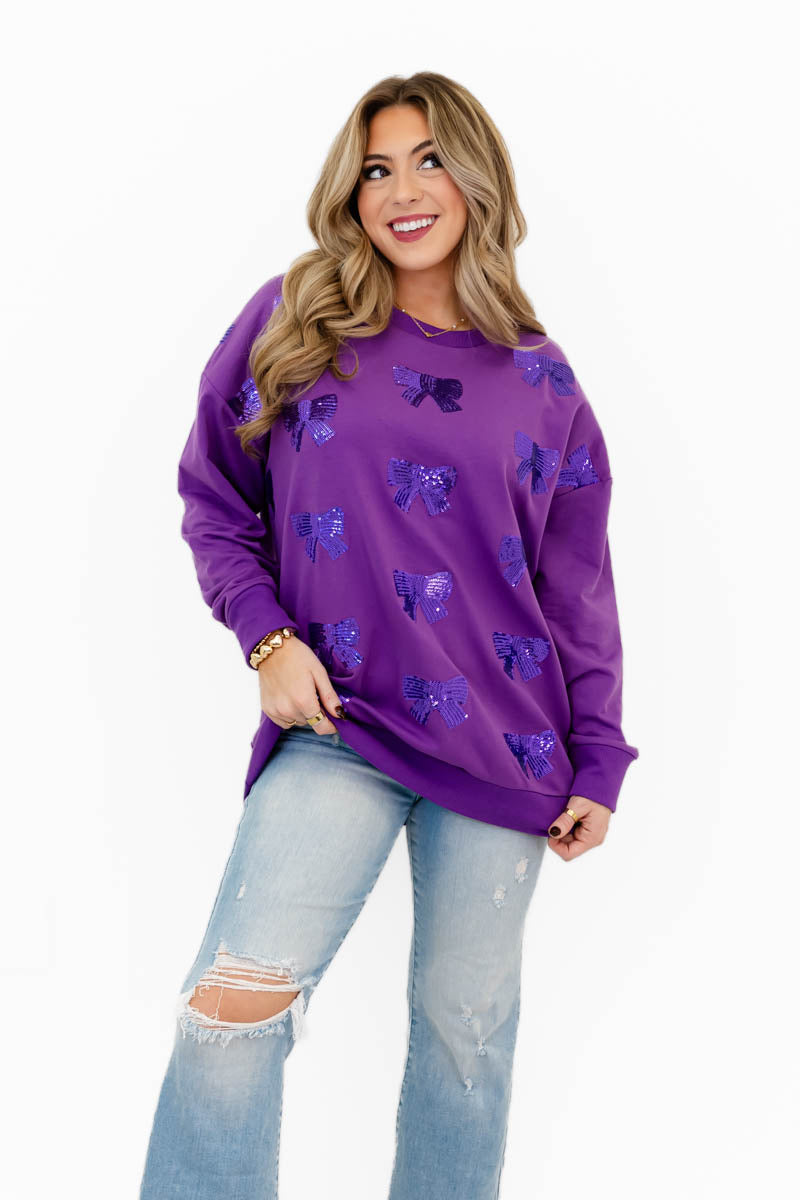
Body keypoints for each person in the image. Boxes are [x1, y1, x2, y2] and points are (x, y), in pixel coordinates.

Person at [139, 71, 639, 1199]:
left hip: (506, 753)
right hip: (340, 725)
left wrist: (599, 758)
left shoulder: (543, 380)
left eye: (429, 161)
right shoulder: (297, 317)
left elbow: (576, 590)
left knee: (466, 1056)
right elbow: (214, 498)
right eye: (376, 169)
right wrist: (267, 639)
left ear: (477, 180)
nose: (403, 191)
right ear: (349, 190)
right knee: (230, 1016)